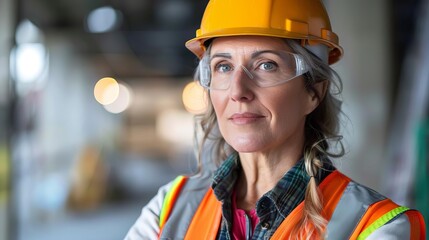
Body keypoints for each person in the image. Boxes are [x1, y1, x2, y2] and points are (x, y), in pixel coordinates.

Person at [125, 0, 426, 239]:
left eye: (266, 65)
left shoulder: (375, 228)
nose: (238, 91)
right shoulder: (170, 207)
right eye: (223, 67)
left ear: (313, 92)